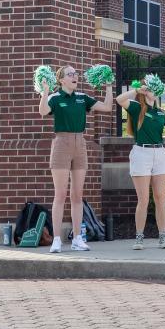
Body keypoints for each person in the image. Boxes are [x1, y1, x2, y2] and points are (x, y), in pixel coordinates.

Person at [37, 66, 113, 253]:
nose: (75, 76)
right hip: (61, 143)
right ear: (61, 80)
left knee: (77, 195)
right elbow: (43, 111)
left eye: (75, 74)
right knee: (60, 194)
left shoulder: (82, 97)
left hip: (80, 143)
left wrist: (109, 86)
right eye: (70, 74)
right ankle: (56, 240)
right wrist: (45, 91)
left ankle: (78, 238)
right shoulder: (55, 98)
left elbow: (107, 107)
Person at [116, 78, 165, 250]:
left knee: (160, 198)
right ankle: (139, 237)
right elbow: (119, 100)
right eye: (149, 88)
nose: (152, 91)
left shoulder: (162, 112)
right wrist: (137, 90)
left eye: (154, 88)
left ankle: (162, 236)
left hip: (159, 153)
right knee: (143, 199)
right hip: (141, 153)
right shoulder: (137, 108)